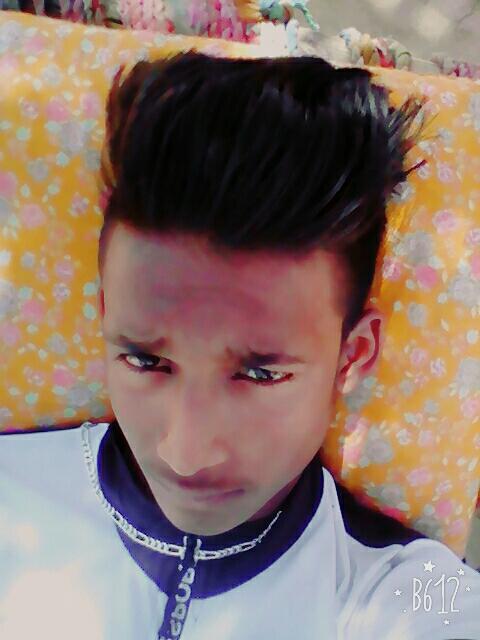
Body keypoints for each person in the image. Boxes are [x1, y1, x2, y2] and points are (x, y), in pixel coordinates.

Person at [0, 52, 478, 640]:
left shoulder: (409, 593)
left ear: (351, 356)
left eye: (260, 375)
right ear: (105, 319)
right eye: (146, 361)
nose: (186, 453)